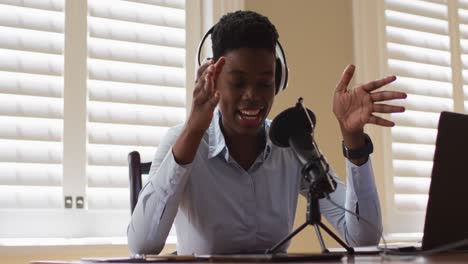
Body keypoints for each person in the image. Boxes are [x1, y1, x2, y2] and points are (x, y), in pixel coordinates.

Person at [127, 10, 406, 255]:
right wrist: (193, 130)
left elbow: (363, 237)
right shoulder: (182, 140)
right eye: (238, 83)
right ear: (212, 80)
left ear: (279, 80)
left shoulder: (290, 144)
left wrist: (352, 138)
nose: (252, 96)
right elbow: (142, 245)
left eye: (264, 83)